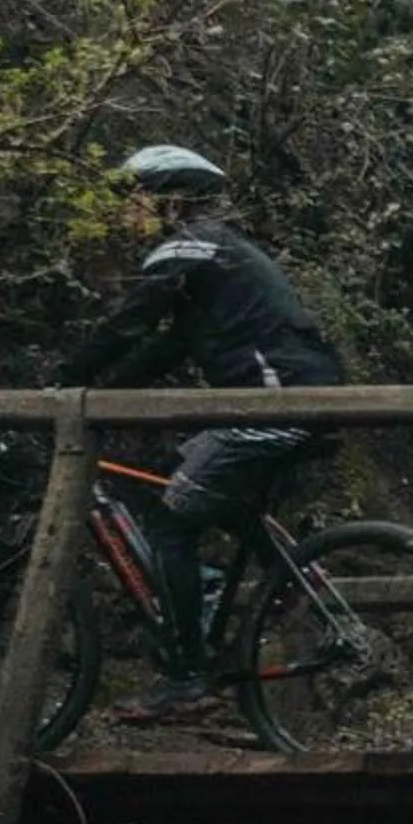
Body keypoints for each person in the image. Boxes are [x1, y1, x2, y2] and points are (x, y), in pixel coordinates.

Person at [53, 144, 346, 721]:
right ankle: (282, 577)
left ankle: (185, 680)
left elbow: (132, 320)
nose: (124, 210)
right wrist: (104, 397)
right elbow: (168, 345)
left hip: (275, 402)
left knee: (171, 520)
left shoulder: (193, 244)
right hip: (290, 397)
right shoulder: (216, 255)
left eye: (132, 195)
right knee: (195, 486)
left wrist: (65, 378)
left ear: (170, 198)